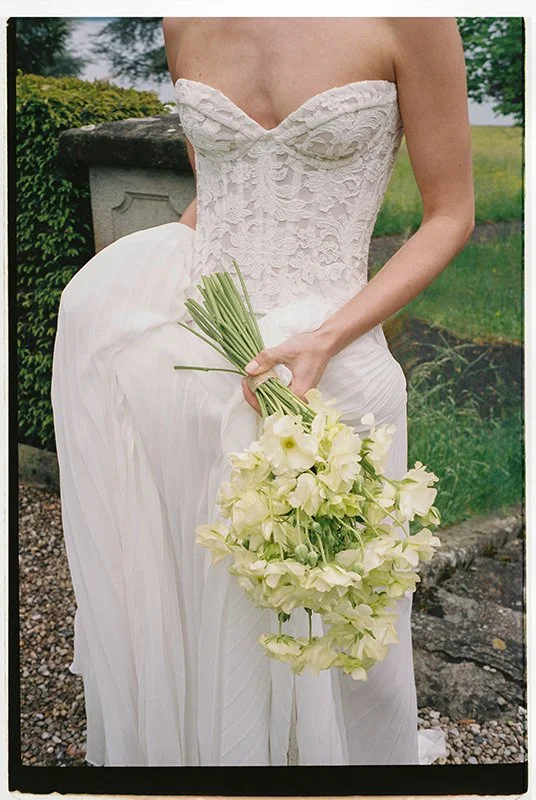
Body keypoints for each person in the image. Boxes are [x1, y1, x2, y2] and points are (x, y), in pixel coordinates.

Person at [51, 17, 474, 766]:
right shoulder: (185, 18)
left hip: (334, 371)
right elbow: (217, 195)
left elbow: (451, 214)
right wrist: (140, 289)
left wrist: (324, 337)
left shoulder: (410, 16)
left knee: (345, 618)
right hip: (194, 364)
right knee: (208, 602)